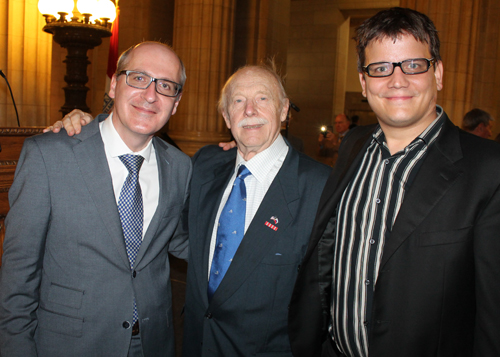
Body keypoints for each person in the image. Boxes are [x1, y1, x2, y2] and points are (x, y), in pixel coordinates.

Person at [50, 63, 331, 356]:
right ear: (226, 116)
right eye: (237, 101)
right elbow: (168, 231)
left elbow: (331, 301)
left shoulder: (322, 187)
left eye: (263, 98)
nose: (249, 110)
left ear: (284, 110)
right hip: (197, 343)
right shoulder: (205, 165)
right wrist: (89, 125)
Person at [290, 7, 500, 357]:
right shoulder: (354, 144)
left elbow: (493, 317)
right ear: (363, 81)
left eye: (414, 65)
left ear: (439, 74)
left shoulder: (488, 171)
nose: (397, 80)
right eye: (381, 68)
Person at [0, 42, 192, 357]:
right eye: (139, 78)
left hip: (153, 342)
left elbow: (182, 240)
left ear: (176, 103)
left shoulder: (181, 166)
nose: (151, 94)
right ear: (114, 84)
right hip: (70, 343)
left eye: (166, 85)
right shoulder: (49, 155)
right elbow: (18, 273)